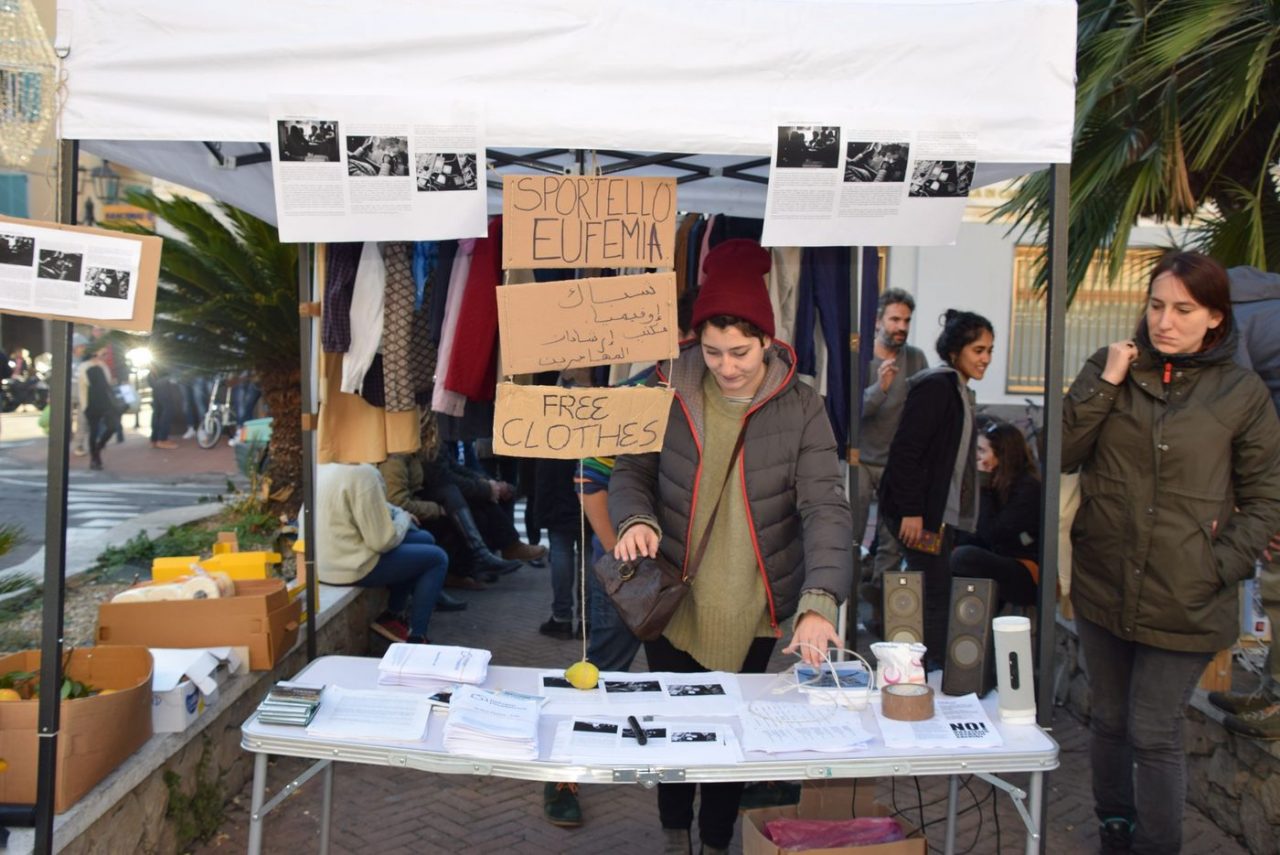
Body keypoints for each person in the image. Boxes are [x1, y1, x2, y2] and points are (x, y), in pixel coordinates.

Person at [609, 238, 853, 855]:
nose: (727, 366)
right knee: (672, 736)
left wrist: (820, 602)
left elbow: (826, 507)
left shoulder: (803, 406)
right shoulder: (662, 384)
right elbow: (630, 469)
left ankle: (715, 843)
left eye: (740, 351)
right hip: (672, 603)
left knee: (730, 740)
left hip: (754, 609)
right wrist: (635, 517)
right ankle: (673, 838)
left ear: (767, 341)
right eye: (713, 350)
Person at [1064, 251, 1280, 854]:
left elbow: (1267, 496)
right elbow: (1062, 449)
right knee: (1108, 721)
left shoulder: (1242, 393)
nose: (1165, 320)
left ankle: (1159, 846)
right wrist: (1104, 380)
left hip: (1187, 595)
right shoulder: (1113, 370)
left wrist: (1217, 565)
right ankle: (1114, 828)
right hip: (1105, 581)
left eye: (1184, 309)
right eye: (1157, 305)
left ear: (1214, 316)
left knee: (1154, 730)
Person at [878, 309, 993, 668]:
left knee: (933, 587)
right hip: (920, 514)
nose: (986, 359)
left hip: (934, 513)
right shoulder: (937, 387)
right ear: (956, 351)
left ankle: (925, 668)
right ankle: (926, 669)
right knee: (933, 591)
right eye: (978, 350)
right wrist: (913, 512)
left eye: (990, 350)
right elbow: (907, 451)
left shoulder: (956, 389)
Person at [1207, 265, 1280, 740]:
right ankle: (1271, 691)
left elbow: (1242, 419)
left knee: (1277, 582)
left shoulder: (1232, 323)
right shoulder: (1265, 305)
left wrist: (1263, 506)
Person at [316, 462, 450, 644]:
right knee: (437, 558)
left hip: (325, 563)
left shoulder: (324, 467)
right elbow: (383, 541)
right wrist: (403, 518)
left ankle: (393, 616)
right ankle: (417, 637)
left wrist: (400, 514)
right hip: (348, 567)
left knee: (424, 539)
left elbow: (383, 507)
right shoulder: (364, 473)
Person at [855, 288, 928, 613]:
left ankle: (877, 608)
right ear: (878, 320)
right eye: (895, 319)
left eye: (906, 320)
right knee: (851, 535)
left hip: (896, 464)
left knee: (893, 542)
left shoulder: (915, 358)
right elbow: (852, 411)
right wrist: (879, 389)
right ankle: (848, 606)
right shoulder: (860, 357)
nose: (901, 326)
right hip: (859, 460)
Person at [949, 420, 1040, 609]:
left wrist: (983, 486)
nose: (976, 456)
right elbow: (970, 532)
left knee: (963, 557)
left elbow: (993, 533)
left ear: (1002, 456)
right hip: (996, 558)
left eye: (982, 451)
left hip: (1025, 568)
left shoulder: (1028, 488)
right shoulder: (996, 483)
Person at [81, 342, 121, 471]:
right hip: (91, 404)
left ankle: (99, 447)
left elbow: (108, 384)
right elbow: (88, 383)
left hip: (106, 403)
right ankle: (95, 458)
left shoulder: (103, 366)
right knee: (94, 431)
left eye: (105, 354)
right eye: (102, 353)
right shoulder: (85, 367)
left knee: (113, 426)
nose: (104, 356)